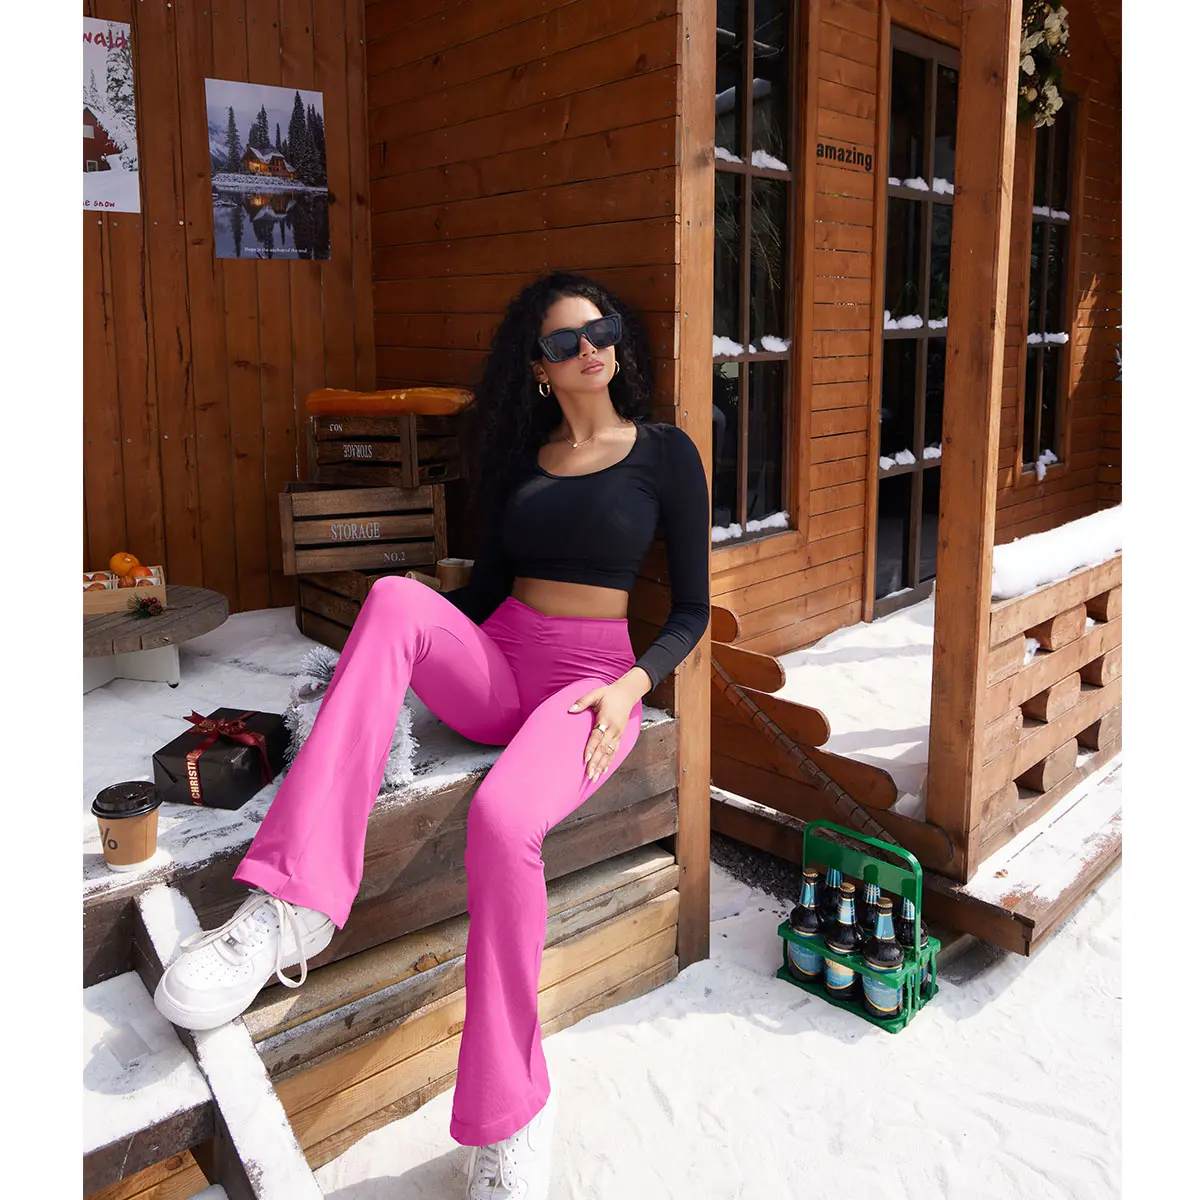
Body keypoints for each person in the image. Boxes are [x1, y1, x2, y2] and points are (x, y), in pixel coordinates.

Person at [152, 271, 711, 1198]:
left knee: (502, 821)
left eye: (601, 329)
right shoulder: (525, 463)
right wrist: (409, 635)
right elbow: (483, 596)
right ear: (537, 368)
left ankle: (512, 1112)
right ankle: (291, 905)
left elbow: (692, 609)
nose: (590, 349)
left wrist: (631, 687)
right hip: (502, 662)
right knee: (392, 598)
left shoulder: (664, 454)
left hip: (587, 687)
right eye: (565, 341)